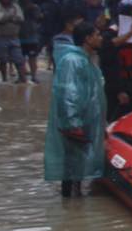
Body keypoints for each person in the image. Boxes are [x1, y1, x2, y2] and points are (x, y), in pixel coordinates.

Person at [45, 21, 107, 197]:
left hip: (86, 121)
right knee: (72, 164)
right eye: (97, 35)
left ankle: (74, 202)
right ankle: (70, 202)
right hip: (75, 123)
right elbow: (68, 93)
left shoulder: (86, 61)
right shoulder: (73, 61)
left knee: (77, 164)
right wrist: (73, 123)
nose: (101, 38)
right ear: (88, 39)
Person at [0, 0, 26, 83]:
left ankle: (22, 78)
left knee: (19, 58)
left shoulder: (15, 6)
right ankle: (4, 79)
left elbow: (21, 18)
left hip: (14, 36)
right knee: (3, 59)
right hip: (1, 36)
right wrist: (11, 16)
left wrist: (8, 18)